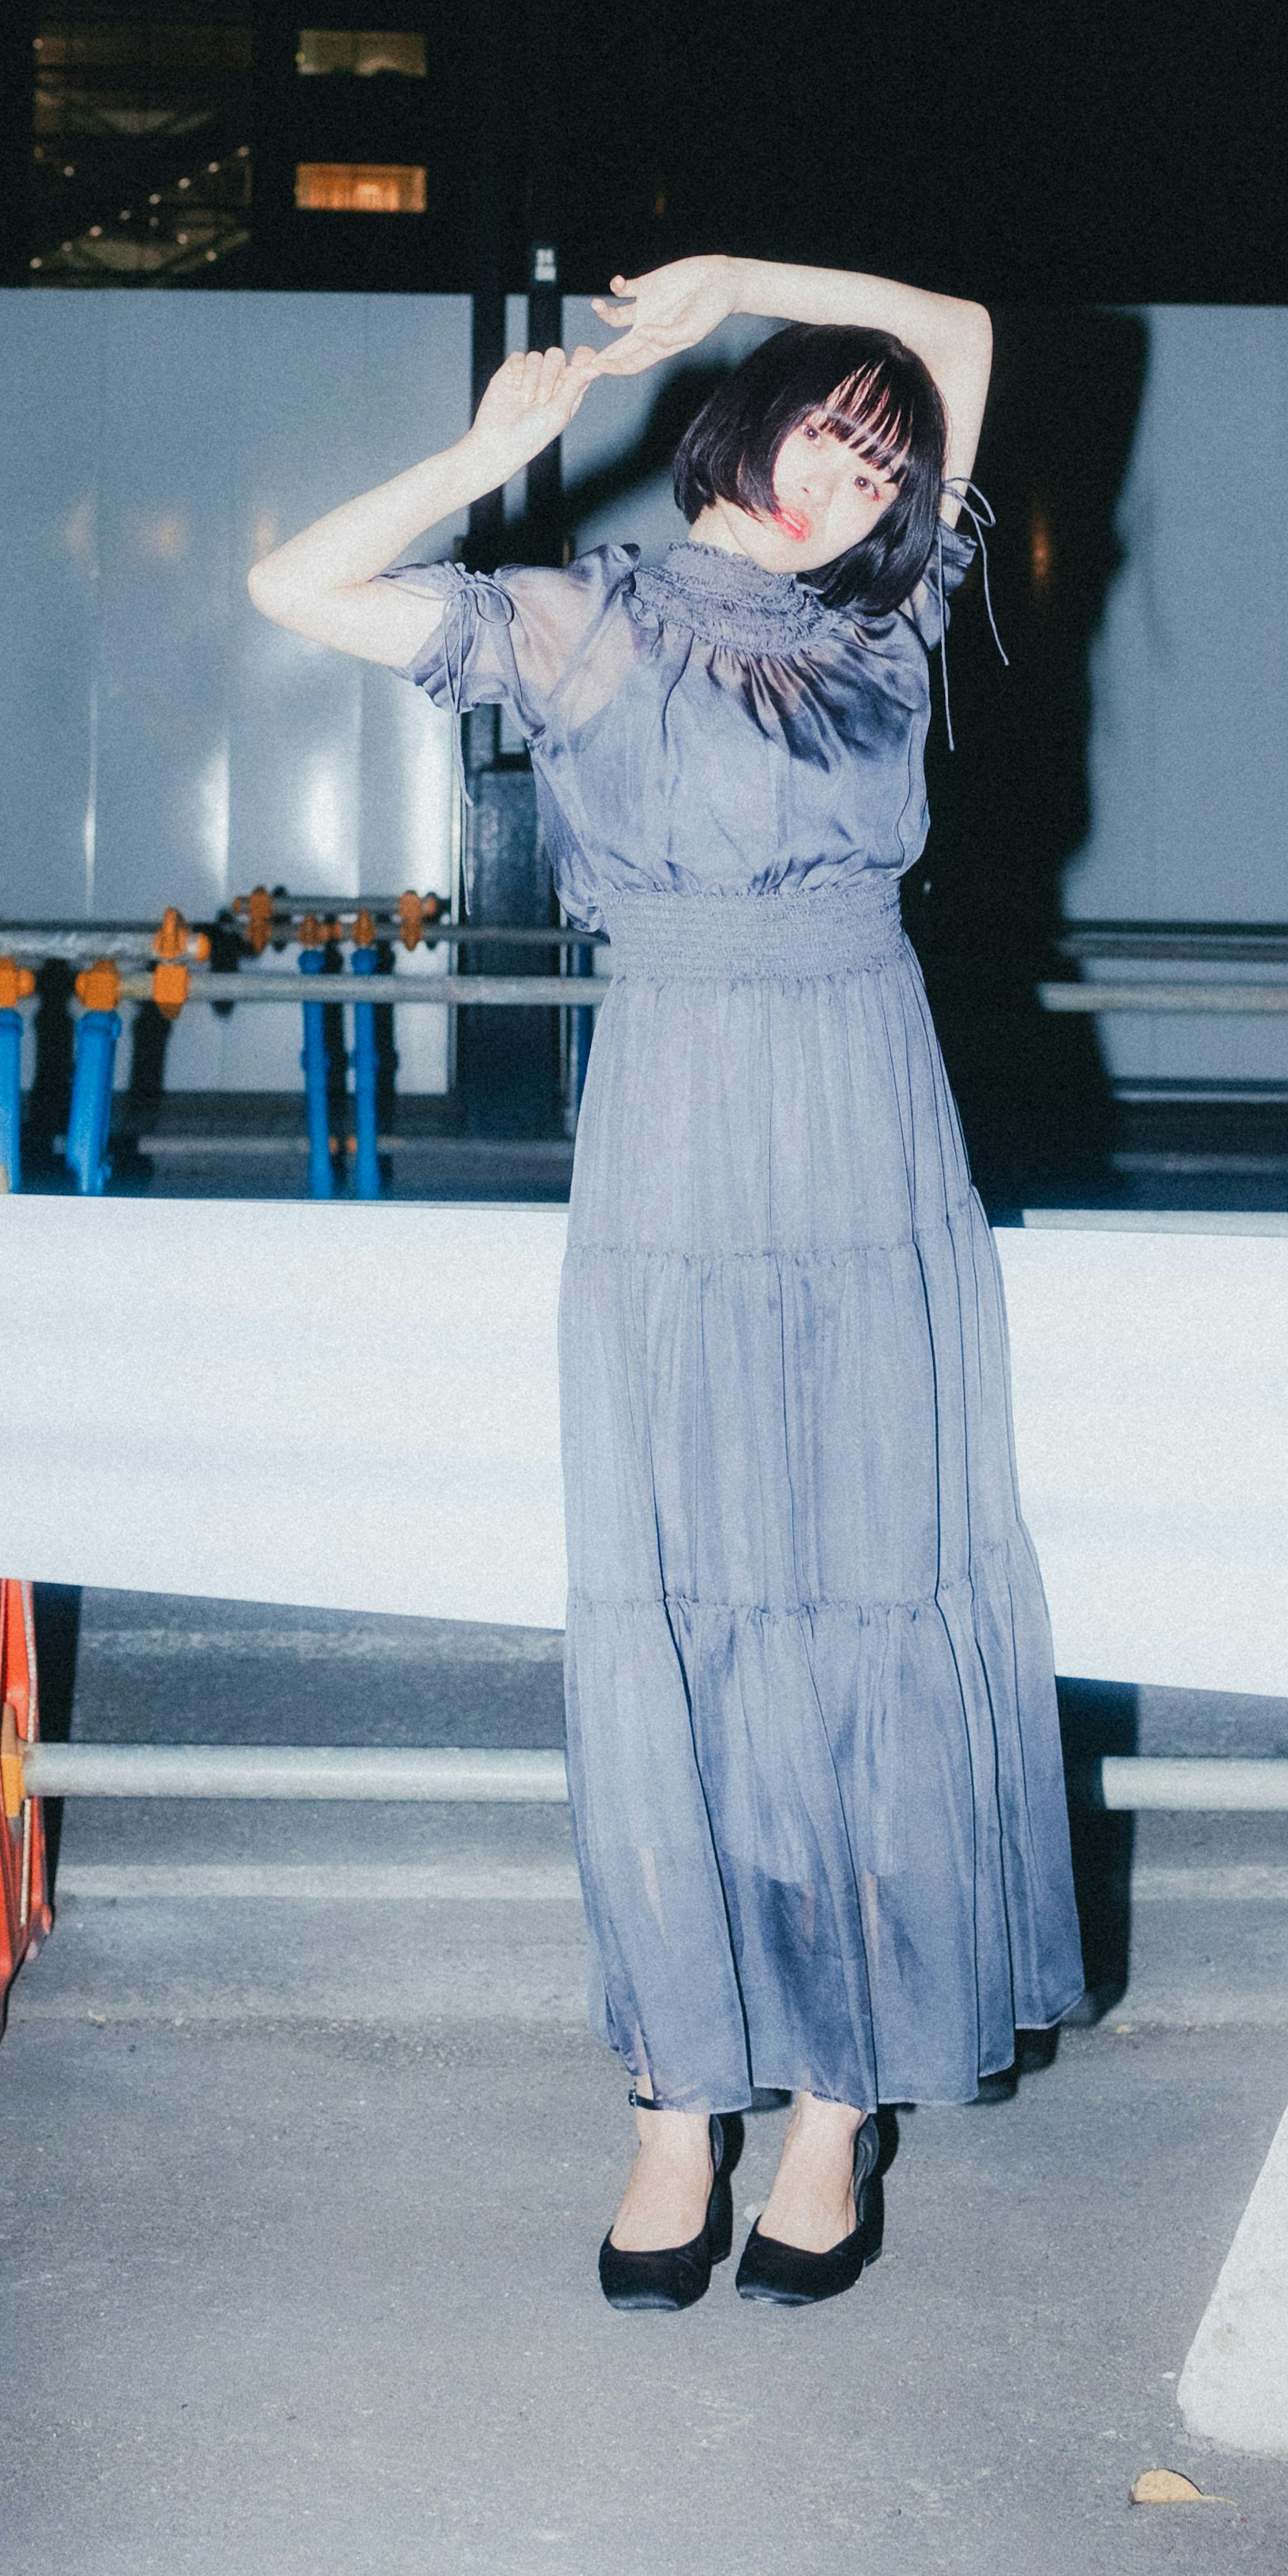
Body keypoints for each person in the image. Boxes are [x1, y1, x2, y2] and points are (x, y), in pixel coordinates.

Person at [248, 251, 1082, 2310]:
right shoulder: (585, 619)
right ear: (752, 415)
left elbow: (964, 336)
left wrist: (748, 278)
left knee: (867, 1582)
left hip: (874, 1129)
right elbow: (295, 592)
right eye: (831, 430)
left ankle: (832, 2100)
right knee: (681, 1590)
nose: (855, 486)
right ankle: (669, 2096)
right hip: (684, 1125)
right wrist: (480, 454)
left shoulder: (886, 620)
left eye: (887, 473)